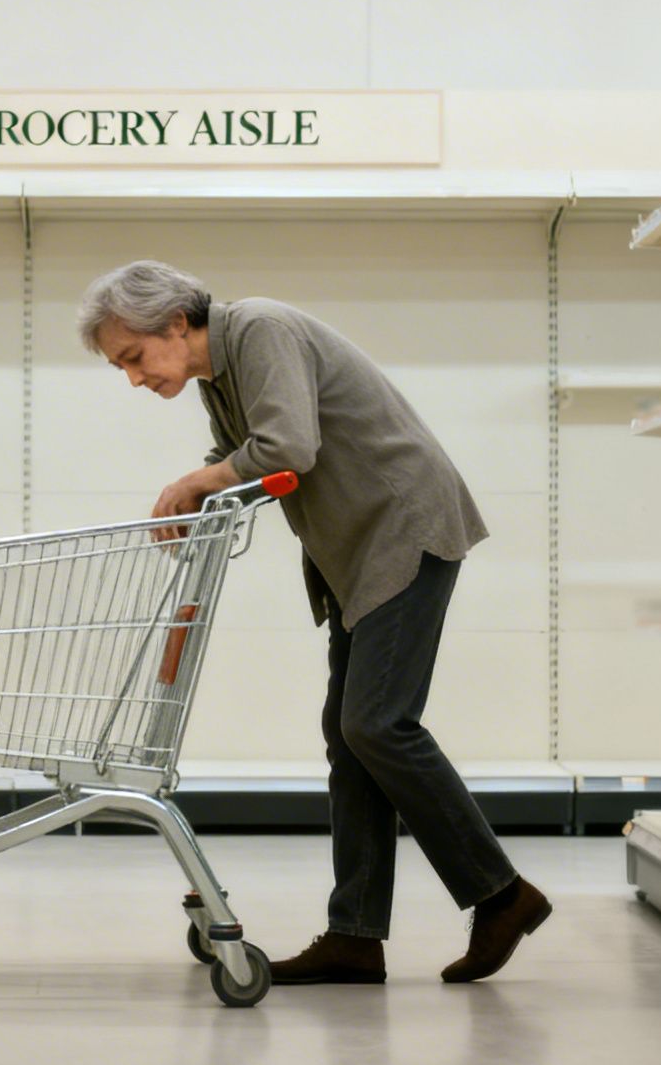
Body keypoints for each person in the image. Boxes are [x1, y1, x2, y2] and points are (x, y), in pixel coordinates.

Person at [77, 259, 553, 985]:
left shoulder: (260, 328)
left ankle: (502, 894)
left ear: (175, 322)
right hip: (357, 552)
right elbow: (245, 455)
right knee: (348, 738)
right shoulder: (224, 371)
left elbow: (286, 449)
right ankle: (354, 937)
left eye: (134, 357)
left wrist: (198, 483)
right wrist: (203, 492)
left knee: (377, 724)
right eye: (122, 367)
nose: (135, 379)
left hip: (403, 529)